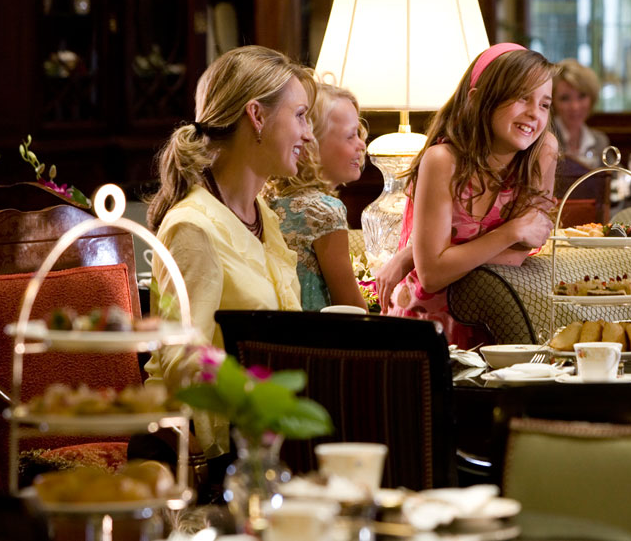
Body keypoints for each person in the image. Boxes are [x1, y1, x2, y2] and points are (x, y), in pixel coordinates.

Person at [144, 45, 314, 458]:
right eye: (300, 115)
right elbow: (184, 367)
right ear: (256, 115)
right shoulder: (193, 227)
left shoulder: (263, 217)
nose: (308, 134)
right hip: (214, 450)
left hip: (270, 431)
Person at [382, 43, 559, 348]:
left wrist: (432, 255)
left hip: (496, 323)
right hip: (429, 328)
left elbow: (520, 254)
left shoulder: (543, 153)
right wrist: (511, 230)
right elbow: (433, 276)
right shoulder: (443, 161)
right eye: (522, 97)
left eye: (544, 104)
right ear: (478, 100)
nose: (534, 114)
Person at [266, 83, 368, 311]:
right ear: (311, 143)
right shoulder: (324, 210)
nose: (361, 145)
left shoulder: (266, 197)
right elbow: (349, 304)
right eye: (351, 136)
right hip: (314, 339)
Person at [552, 58, 609, 167]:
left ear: (592, 98)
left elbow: (618, 177)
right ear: (552, 101)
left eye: (582, 96)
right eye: (565, 98)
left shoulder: (600, 141)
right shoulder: (543, 140)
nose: (575, 107)